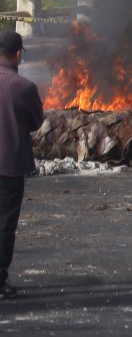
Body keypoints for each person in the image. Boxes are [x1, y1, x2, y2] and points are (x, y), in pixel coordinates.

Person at [0, 32, 43, 300]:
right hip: (10, 167)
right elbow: (37, 121)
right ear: (18, 54)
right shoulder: (24, 87)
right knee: (4, 226)